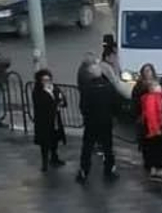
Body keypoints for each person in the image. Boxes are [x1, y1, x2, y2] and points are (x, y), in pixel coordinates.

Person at [75, 53, 121, 183]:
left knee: (87, 147)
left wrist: (87, 117)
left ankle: (84, 171)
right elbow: (116, 104)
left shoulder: (87, 89)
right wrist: (113, 116)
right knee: (108, 147)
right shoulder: (108, 87)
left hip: (91, 123)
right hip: (106, 121)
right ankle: (109, 169)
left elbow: (83, 106)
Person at [31, 69, 66, 171]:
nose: (47, 82)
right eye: (44, 80)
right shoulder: (37, 91)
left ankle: (54, 157)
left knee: (54, 139)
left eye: (48, 80)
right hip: (44, 121)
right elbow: (41, 105)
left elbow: (62, 100)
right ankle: (44, 162)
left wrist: (61, 101)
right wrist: (56, 103)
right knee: (45, 142)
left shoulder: (55, 88)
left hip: (54, 119)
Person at [137, 80, 162, 179]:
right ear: (152, 88)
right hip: (154, 129)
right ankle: (157, 169)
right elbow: (151, 115)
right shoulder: (152, 98)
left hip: (152, 128)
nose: (160, 87)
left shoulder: (151, 97)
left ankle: (154, 168)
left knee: (153, 148)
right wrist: (155, 129)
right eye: (158, 85)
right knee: (157, 148)